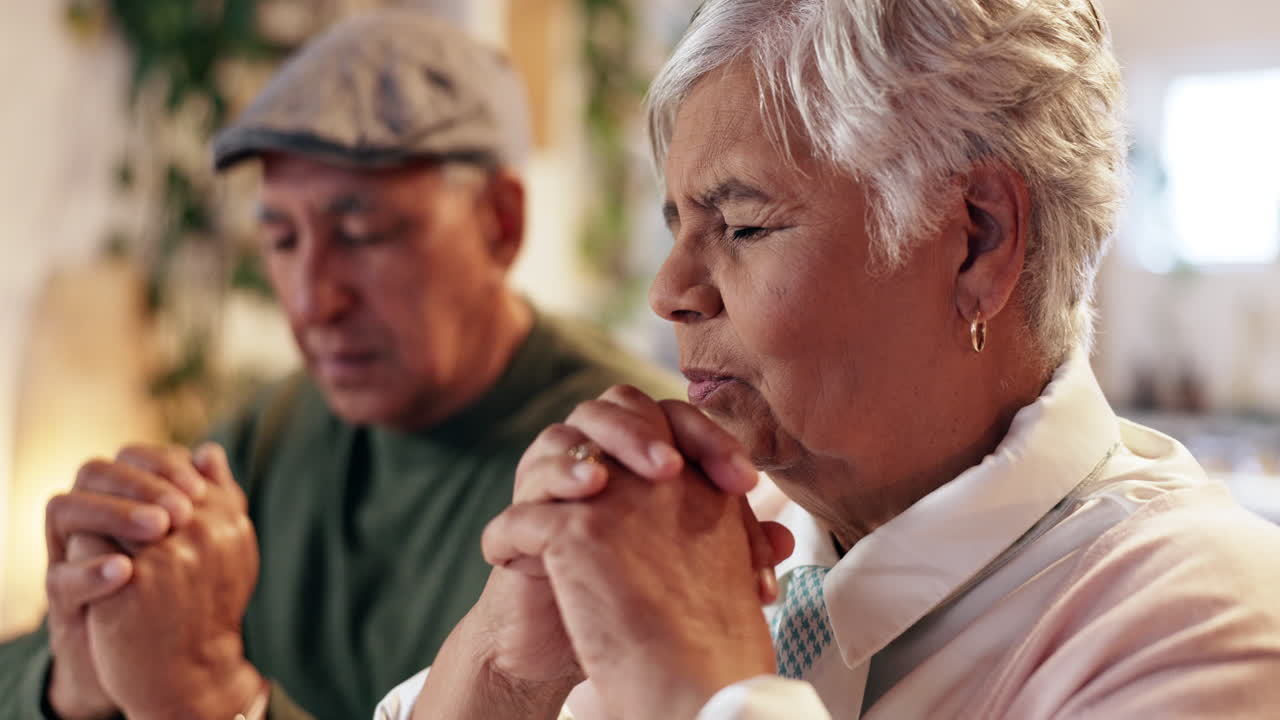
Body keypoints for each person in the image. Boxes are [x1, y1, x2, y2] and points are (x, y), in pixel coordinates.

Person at [377, 0, 1280, 718]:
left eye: (742, 226)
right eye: (678, 228)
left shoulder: (1204, 618)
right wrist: (497, 672)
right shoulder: (688, 539)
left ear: (978, 242)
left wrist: (701, 692)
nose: (670, 291)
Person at [0, 10, 684, 720]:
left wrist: (214, 695)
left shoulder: (622, 466)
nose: (311, 299)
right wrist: (73, 680)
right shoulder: (279, 431)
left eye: (363, 232)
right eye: (281, 238)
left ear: (501, 223)